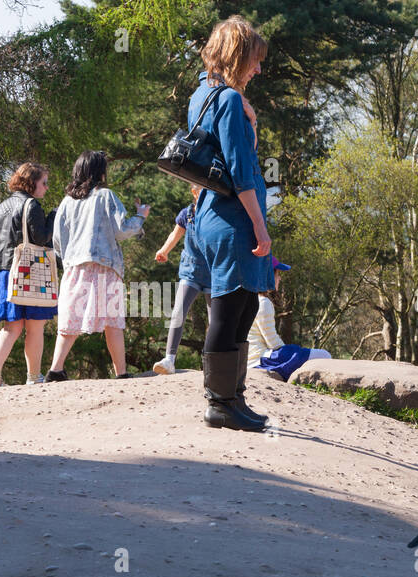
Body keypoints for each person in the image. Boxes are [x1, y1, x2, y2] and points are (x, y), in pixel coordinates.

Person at [186, 15, 273, 431]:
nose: (258, 69)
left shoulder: (202, 95)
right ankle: (220, 403)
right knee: (229, 305)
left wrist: (248, 118)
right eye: (253, 61)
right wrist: (260, 226)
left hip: (207, 216)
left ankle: (233, 398)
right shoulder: (230, 101)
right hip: (232, 218)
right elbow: (240, 170)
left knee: (245, 303)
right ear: (237, 56)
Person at [47, 151, 148, 380]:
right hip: (104, 266)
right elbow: (121, 230)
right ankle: (121, 373)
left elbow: (57, 240)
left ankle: (56, 369)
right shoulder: (106, 196)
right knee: (112, 320)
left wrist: (70, 260)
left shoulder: (66, 202)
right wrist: (140, 216)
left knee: (70, 320)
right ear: (100, 172)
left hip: (75, 266)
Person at [0, 162, 57, 386]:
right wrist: (54, 216)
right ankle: (34, 377)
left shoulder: (1, 206)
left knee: (11, 327)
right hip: (29, 271)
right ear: (31, 182)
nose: (46, 188)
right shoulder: (32, 206)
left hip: (4, 271)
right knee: (35, 326)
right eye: (43, 183)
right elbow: (41, 238)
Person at [151, 185, 210, 375]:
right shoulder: (187, 214)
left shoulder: (216, 215)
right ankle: (169, 359)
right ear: (194, 193)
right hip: (191, 271)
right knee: (178, 311)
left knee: (216, 320)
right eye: (202, 191)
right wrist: (164, 250)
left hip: (213, 273)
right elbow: (175, 234)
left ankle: (213, 360)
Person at [249, 259, 332, 380]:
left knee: (299, 351)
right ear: (268, 276)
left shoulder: (249, 300)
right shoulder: (263, 302)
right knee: (324, 355)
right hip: (262, 360)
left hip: (252, 359)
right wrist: (290, 352)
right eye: (278, 274)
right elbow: (273, 343)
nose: (280, 279)